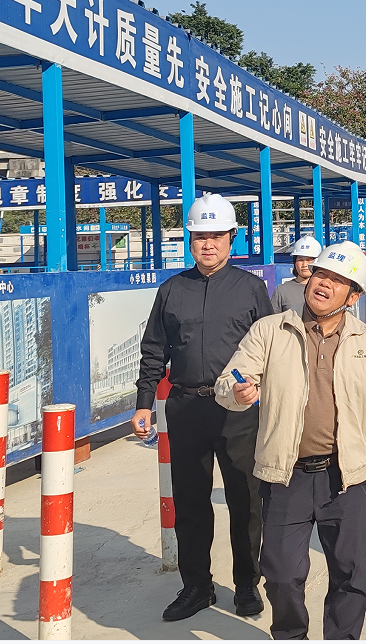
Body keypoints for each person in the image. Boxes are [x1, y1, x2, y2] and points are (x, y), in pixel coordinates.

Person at [216, 241, 366, 640]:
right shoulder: (271, 331)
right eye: (321, 274)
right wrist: (237, 393)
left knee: (351, 576)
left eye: (337, 280)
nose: (324, 284)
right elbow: (227, 382)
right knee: (281, 575)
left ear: (353, 297)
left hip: (345, 476)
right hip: (286, 475)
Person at [132, 193, 274, 621]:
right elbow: (154, 351)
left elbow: (271, 351)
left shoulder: (250, 289)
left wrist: (264, 396)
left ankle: (247, 584)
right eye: (199, 236)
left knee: (245, 500)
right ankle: (196, 586)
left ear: (232, 237)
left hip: (238, 412)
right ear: (189, 241)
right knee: (190, 501)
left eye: (216, 235)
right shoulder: (172, 290)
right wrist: (144, 403)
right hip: (186, 408)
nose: (207, 244)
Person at [272, 235, 323, 313]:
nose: (304, 264)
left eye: (309, 260)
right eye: (300, 260)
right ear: (295, 262)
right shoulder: (282, 290)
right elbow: (273, 319)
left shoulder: (325, 288)